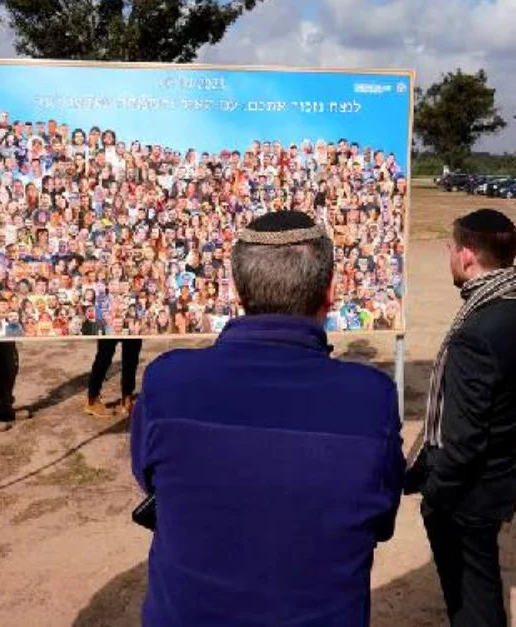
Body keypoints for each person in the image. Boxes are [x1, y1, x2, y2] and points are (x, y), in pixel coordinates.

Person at [130, 210, 405, 626]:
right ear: (330, 291)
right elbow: (380, 519)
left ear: (237, 291)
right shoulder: (370, 398)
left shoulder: (168, 382)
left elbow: (152, 482)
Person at [406, 208, 516, 627]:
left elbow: (463, 440)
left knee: (472, 598)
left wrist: (436, 497)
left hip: (470, 492)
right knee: (480, 582)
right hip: (506, 474)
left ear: (468, 255)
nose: (450, 257)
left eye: (451, 249)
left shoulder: (477, 331)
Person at [85, 338, 142, 417]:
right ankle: (92, 400)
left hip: (130, 327)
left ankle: (127, 398)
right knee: (104, 357)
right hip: (110, 327)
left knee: (132, 357)